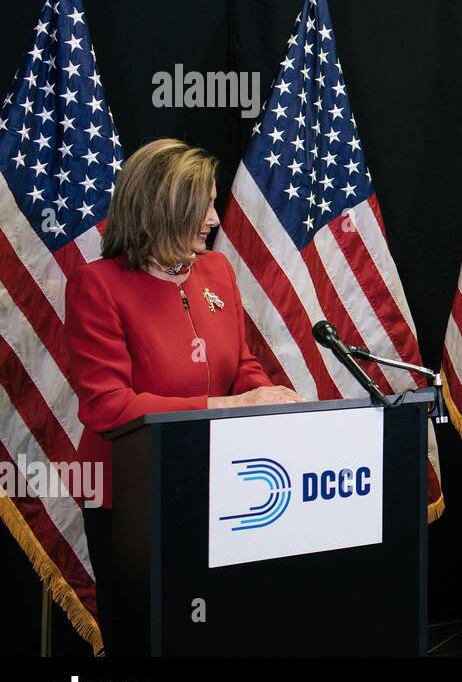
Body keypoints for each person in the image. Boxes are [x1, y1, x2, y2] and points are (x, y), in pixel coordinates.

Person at [64, 139, 303, 651]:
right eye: (203, 207)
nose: (215, 219)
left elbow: (240, 365)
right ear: (160, 208)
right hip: (132, 498)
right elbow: (108, 406)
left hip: (222, 485)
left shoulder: (217, 272)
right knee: (148, 636)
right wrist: (229, 408)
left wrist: (269, 399)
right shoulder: (96, 286)